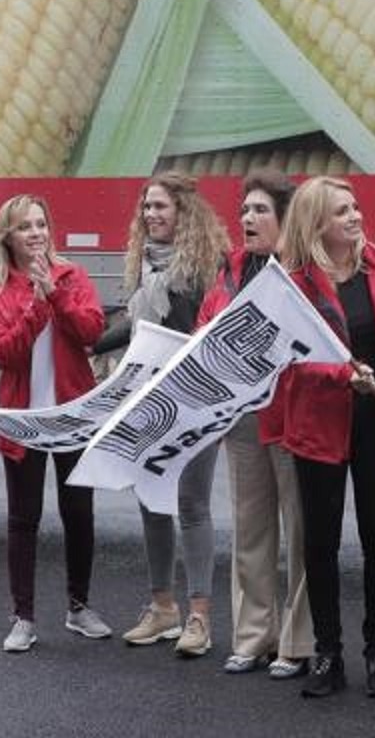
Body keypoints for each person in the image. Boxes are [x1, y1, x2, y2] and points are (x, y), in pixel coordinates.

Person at [277, 176, 375, 699]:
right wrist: (342, 376)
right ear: (318, 223)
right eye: (342, 212)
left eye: (356, 207)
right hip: (318, 425)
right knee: (319, 542)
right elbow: (289, 362)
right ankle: (328, 652)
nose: (356, 217)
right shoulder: (294, 284)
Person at [195, 169, 314, 680]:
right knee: (251, 528)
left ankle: (297, 640)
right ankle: (252, 636)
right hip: (242, 416)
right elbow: (206, 325)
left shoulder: (304, 271)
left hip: (291, 414)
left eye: (260, 210)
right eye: (244, 210)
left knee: (302, 530)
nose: (247, 218)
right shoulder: (230, 269)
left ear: (285, 220)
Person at [0, 193, 112, 653]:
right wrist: (36, 305)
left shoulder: (72, 277)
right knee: (24, 519)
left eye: (41, 224)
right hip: (24, 420)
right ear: (9, 238)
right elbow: (5, 353)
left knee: (78, 513)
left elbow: (92, 331)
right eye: (25, 227)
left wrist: (54, 293)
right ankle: (24, 617)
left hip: (71, 414)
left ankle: (79, 607)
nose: (36, 233)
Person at [116, 171, 230, 657]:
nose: (151, 216)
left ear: (184, 213)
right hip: (150, 398)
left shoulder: (206, 267)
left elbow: (186, 326)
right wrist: (90, 341)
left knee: (191, 503)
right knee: (150, 500)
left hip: (197, 399)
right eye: (146, 207)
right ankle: (162, 608)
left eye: (160, 207)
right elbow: (135, 327)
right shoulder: (143, 267)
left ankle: (199, 617)